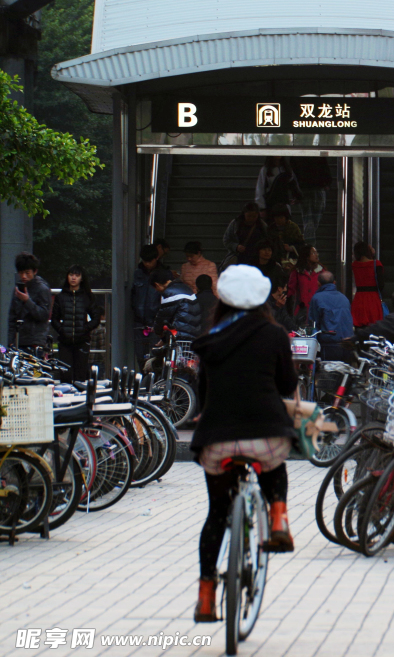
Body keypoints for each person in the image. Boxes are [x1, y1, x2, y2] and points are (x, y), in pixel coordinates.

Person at [189, 264, 298, 622]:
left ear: (222, 297)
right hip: (266, 435)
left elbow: (204, 394)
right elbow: (286, 385)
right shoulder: (275, 334)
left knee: (216, 515)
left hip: (217, 441)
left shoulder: (209, 340)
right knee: (272, 465)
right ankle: (278, 517)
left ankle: (206, 595)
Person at [50, 265, 103, 382]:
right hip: (65, 342)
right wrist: (62, 330)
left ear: (81, 278)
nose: (73, 278)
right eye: (71, 275)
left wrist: (85, 329)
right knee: (65, 375)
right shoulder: (61, 297)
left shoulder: (87, 297)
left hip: (82, 341)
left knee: (81, 375)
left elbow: (96, 318)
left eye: (77, 275)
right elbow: (54, 319)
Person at [7, 252, 52, 350]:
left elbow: (44, 315)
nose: (24, 276)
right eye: (21, 273)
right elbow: (12, 317)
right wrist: (10, 341)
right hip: (18, 340)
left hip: (35, 341)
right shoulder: (18, 289)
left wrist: (27, 301)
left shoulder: (42, 288)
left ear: (34, 271)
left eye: (27, 273)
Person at [307, 271, 354, 360]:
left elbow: (313, 324)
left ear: (318, 284)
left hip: (329, 344)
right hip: (348, 343)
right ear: (334, 283)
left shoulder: (317, 298)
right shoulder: (344, 298)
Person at [150, 268, 204, 342]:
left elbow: (162, 318)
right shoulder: (186, 288)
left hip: (180, 335)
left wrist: (158, 332)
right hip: (195, 333)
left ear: (157, 285)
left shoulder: (169, 293)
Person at [131, 245, 163, 367]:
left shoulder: (162, 274)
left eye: (150, 261)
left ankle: (154, 383)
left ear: (156, 258)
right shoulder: (138, 273)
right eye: (145, 261)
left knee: (155, 355)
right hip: (139, 321)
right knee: (140, 356)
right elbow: (133, 294)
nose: (147, 264)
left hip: (156, 321)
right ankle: (144, 382)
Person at [286, 245, 323, 326]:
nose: (316, 255)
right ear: (306, 255)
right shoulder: (297, 272)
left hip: (317, 309)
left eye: (316, 252)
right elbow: (290, 291)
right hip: (301, 310)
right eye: (313, 253)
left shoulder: (321, 271)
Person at [223, 202, 269, 267]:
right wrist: (236, 246)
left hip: (257, 259)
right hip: (239, 258)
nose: (251, 219)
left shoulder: (262, 226)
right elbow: (226, 240)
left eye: (254, 216)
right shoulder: (236, 224)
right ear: (244, 214)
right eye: (249, 216)